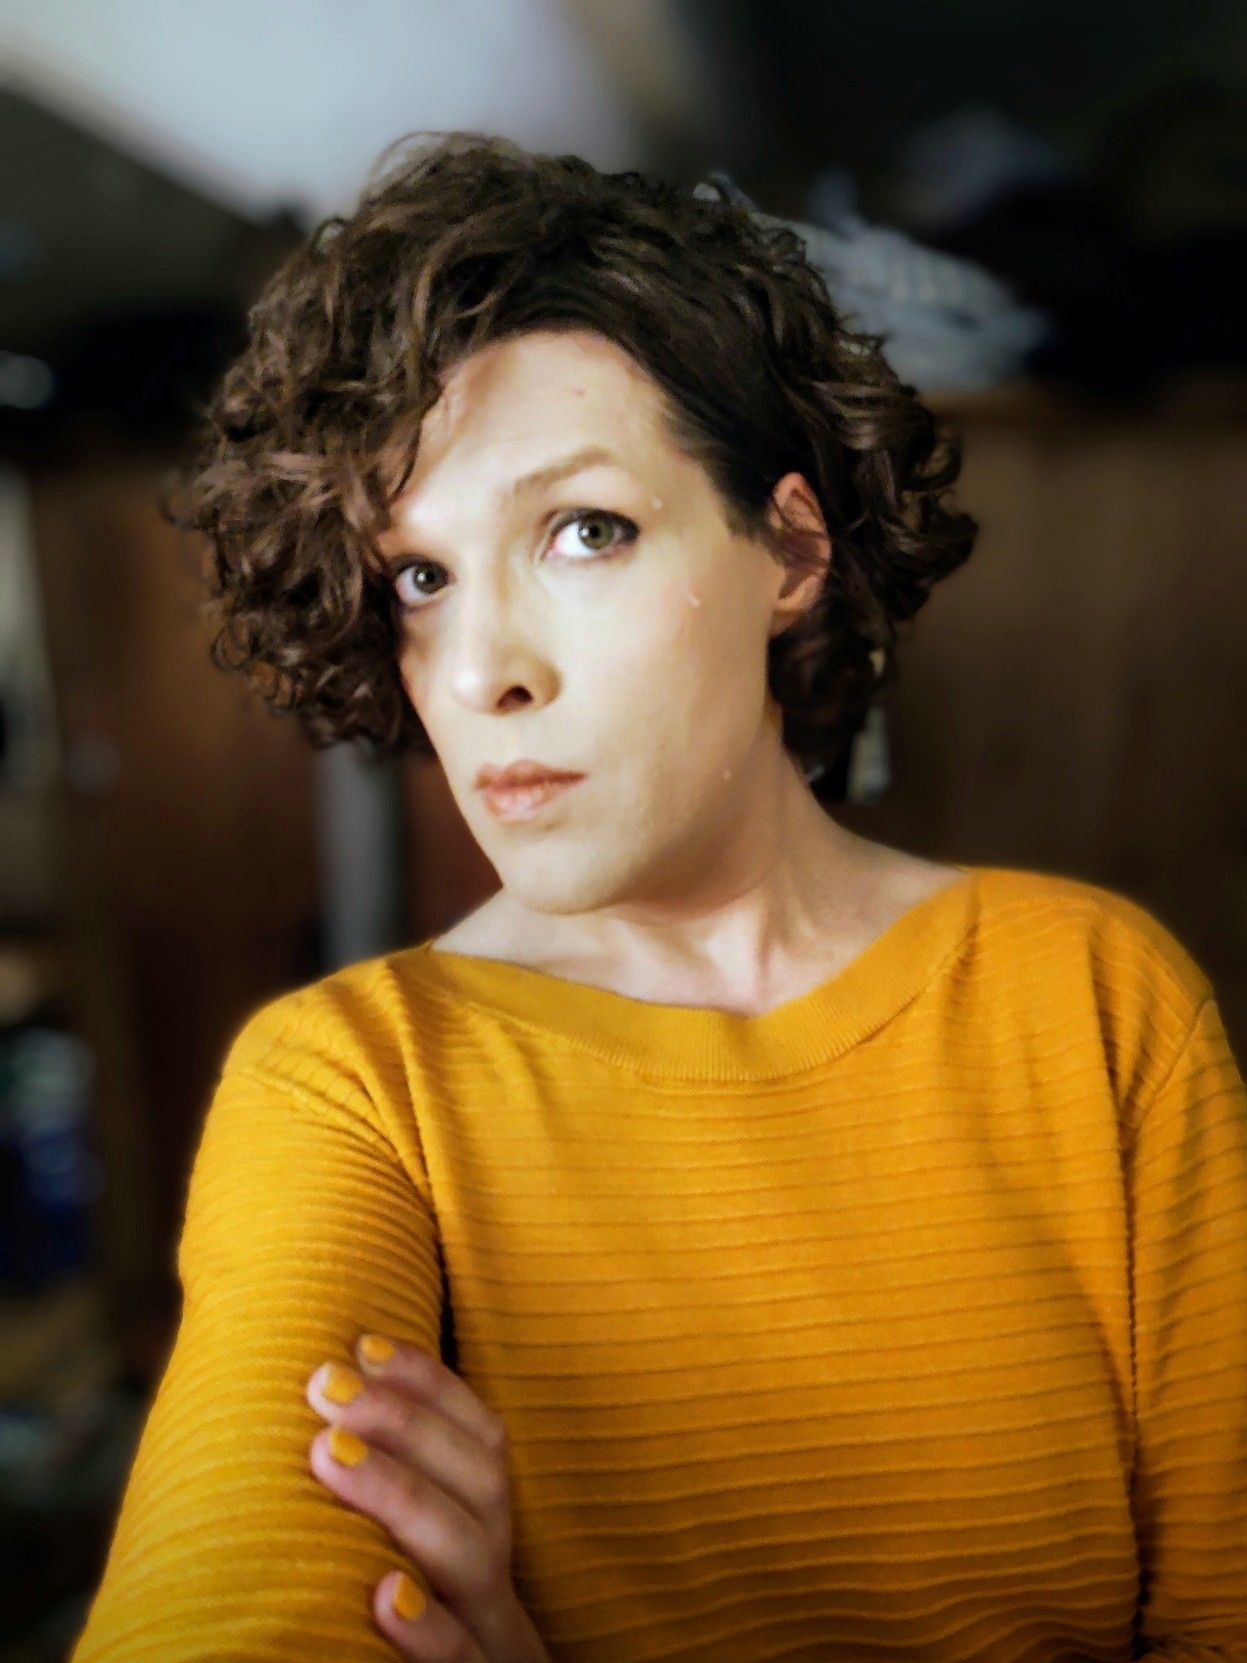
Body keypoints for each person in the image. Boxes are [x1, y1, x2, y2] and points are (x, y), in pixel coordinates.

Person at [70, 131, 1246, 1662]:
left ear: (790, 552)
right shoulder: (353, 1085)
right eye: (421, 577)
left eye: (582, 532)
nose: (487, 670)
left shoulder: (1093, 999)